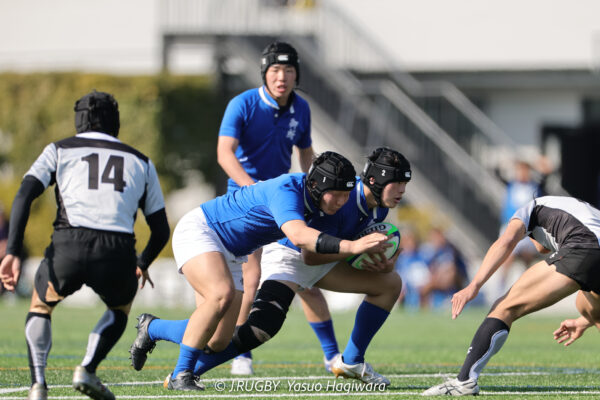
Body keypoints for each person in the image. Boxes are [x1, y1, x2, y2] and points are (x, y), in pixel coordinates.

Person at [130, 147, 410, 388]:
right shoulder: (287, 190)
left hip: (239, 251)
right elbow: (303, 244)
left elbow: (331, 248)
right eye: (396, 182)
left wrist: (379, 262)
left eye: (345, 194)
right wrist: (355, 248)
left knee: (218, 339)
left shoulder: (350, 202)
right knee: (228, 301)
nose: (341, 200)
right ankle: (182, 375)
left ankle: (153, 328)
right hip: (206, 231)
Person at [0, 91, 170, 400]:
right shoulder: (141, 161)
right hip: (117, 250)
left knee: (41, 305)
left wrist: (12, 250)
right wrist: (142, 263)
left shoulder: (59, 149)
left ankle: (38, 384)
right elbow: (161, 230)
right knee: (120, 308)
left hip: (69, 245)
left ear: (79, 120)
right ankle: (88, 369)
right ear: (115, 122)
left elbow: (24, 194)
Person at [216, 39, 338, 375]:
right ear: (264, 73)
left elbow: (306, 153)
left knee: (305, 278)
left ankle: (333, 357)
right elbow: (224, 153)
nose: (281, 76)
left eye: (288, 70)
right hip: (245, 201)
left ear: (297, 74)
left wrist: (318, 190)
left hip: (284, 201)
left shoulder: (302, 108)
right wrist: (252, 189)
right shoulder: (242, 104)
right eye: (275, 70)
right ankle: (241, 354)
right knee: (251, 277)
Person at [423, 195, 600, 396]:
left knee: (504, 307)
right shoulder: (580, 212)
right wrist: (584, 322)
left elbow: (506, 241)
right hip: (590, 252)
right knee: (587, 307)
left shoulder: (529, 209)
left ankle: (464, 381)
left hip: (583, 248)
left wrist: (474, 285)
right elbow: (545, 247)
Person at [418, 227, 468, 309]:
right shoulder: (434, 252)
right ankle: (424, 308)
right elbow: (431, 268)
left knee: (449, 275)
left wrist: (437, 276)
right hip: (439, 279)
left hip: (457, 279)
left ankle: (450, 300)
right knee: (425, 286)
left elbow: (450, 268)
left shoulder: (450, 249)